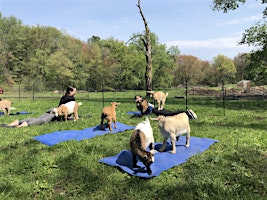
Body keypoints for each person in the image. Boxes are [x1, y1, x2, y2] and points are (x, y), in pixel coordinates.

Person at [7, 86, 77, 128]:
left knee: (37, 118)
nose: (75, 92)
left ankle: (18, 121)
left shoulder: (64, 96)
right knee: (43, 121)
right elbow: (67, 109)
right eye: (74, 91)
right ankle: (26, 124)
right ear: (70, 92)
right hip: (56, 112)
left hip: (53, 109)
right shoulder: (71, 99)